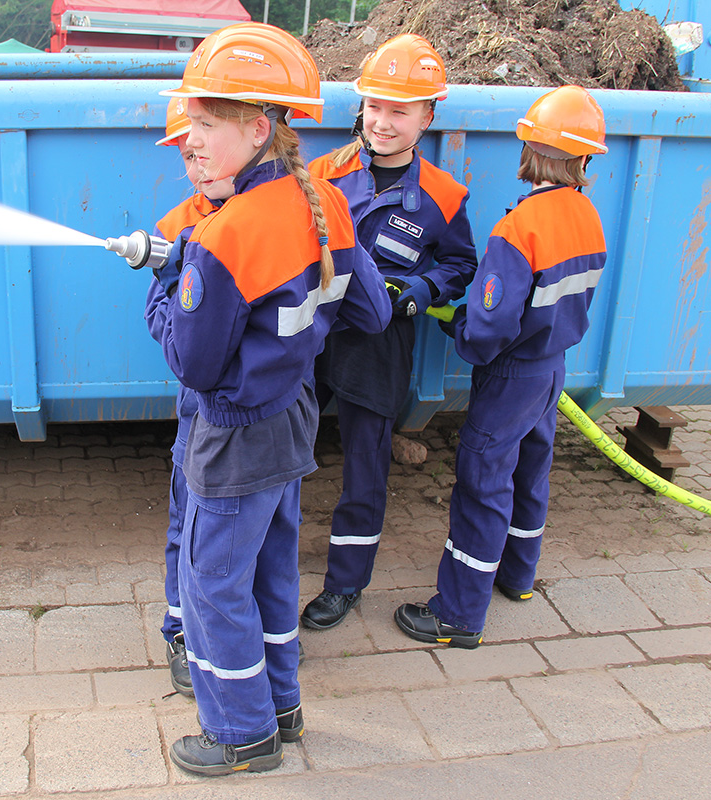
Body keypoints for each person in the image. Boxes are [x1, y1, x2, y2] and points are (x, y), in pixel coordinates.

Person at [146, 22, 392, 776]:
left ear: (259, 129)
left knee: (212, 584)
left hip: (234, 435)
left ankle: (242, 734)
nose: (190, 139)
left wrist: (165, 284)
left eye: (206, 123)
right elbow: (372, 312)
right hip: (291, 421)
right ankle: (282, 707)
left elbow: (192, 364)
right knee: (272, 572)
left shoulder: (222, 238)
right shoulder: (323, 202)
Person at [394, 85, 609, 649]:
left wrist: (458, 326)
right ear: (584, 160)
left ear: (528, 151)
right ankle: (517, 576)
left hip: (511, 376)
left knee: (483, 483)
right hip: (550, 370)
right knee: (530, 473)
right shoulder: (587, 216)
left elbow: (489, 329)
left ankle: (458, 615)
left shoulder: (519, 228)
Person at [301, 34, 478, 631]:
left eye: (399, 110)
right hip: (313, 333)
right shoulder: (322, 174)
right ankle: (264, 561)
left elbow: (460, 265)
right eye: (374, 105)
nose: (382, 121)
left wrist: (421, 290)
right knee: (282, 449)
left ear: (428, 116)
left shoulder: (444, 197)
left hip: (379, 345)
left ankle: (345, 583)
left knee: (365, 466)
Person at [145, 97, 235, 697]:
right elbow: (158, 320)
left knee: (247, 528)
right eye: (185, 152)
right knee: (189, 516)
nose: (196, 160)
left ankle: (246, 632)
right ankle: (181, 628)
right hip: (201, 404)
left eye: (203, 142)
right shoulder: (176, 225)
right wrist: (175, 293)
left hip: (256, 405)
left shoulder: (263, 214)